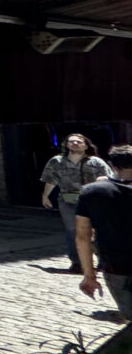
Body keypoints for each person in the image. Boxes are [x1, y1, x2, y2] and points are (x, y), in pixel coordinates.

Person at [76, 145, 132, 317]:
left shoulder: (92, 192)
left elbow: (82, 236)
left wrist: (89, 275)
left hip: (117, 263)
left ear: (113, 166)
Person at [44, 134, 111, 274]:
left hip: (93, 201)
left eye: (79, 141)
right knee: (72, 231)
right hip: (68, 201)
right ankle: (77, 262)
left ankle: (103, 260)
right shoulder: (57, 161)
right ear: (66, 145)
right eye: (71, 141)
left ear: (86, 145)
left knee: (97, 231)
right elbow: (51, 180)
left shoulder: (95, 162)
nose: (74, 143)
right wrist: (45, 195)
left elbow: (108, 178)